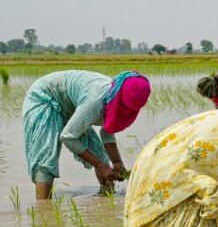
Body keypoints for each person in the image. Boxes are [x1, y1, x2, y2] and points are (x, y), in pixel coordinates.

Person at [22, 70, 151, 200]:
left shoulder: (117, 96)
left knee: (100, 154)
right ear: (119, 98)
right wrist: (101, 166)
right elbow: (68, 137)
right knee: (46, 160)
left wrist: (116, 161)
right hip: (45, 97)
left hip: (71, 105)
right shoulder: (96, 101)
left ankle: (107, 200)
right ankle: (44, 210)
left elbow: (108, 129)